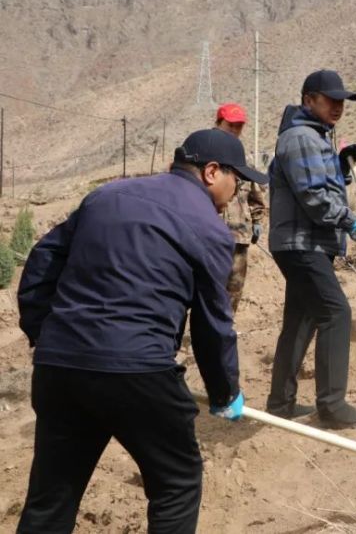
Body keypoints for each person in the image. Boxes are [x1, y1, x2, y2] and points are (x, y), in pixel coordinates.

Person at [16, 128, 267, 534]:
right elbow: (213, 323)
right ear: (211, 172)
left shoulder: (107, 195)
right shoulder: (209, 229)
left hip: (59, 369)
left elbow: (43, 259)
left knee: (52, 498)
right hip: (136, 371)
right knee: (177, 483)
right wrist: (225, 392)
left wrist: (45, 334)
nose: (236, 188)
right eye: (235, 178)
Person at [265, 69, 356, 428]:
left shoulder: (316, 137)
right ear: (308, 99)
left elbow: (322, 185)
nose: (338, 107)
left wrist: (341, 167)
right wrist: (350, 222)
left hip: (307, 242)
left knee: (301, 320)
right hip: (301, 244)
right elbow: (313, 197)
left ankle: (280, 405)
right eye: (331, 100)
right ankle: (331, 406)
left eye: (342, 101)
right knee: (335, 313)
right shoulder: (300, 138)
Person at [215, 102, 267, 314]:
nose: (235, 130)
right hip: (210, 234)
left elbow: (255, 195)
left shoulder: (243, 158)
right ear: (218, 123)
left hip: (239, 235)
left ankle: (224, 329)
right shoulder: (203, 153)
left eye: (239, 126)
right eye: (231, 125)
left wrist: (257, 221)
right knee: (207, 285)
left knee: (234, 288)